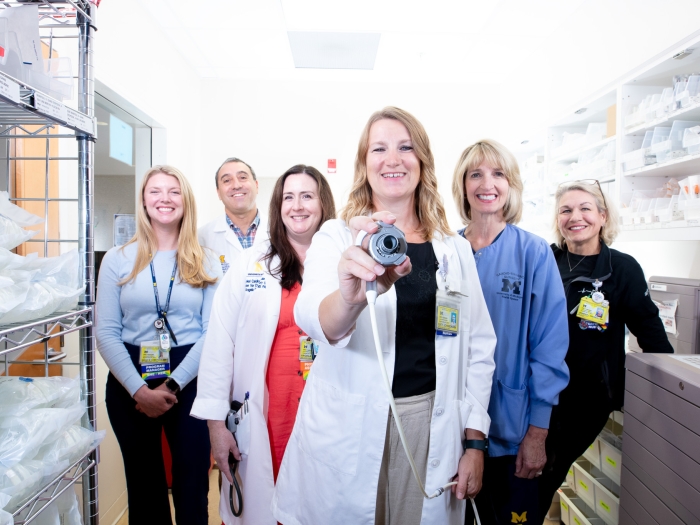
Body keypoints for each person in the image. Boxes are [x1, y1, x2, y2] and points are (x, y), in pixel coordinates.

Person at [272, 107, 497, 525]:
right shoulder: (336, 237)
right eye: (379, 148)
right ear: (364, 165)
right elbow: (320, 322)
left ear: (422, 161)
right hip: (350, 425)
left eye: (405, 147)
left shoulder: (454, 249)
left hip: (431, 423)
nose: (393, 159)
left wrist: (475, 443)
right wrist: (351, 297)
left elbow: (480, 348)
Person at [191, 164, 336, 525]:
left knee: (319, 505)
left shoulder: (341, 263)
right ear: (278, 204)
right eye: (289, 197)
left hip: (326, 413)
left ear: (323, 204)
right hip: (267, 417)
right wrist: (215, 425)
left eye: (307, 196)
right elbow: (219, 342)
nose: (297, 206)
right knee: (264, 509)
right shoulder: (252, 264)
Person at [536, 180, 673, 520]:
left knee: (542, 476)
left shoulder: (621, 269)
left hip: (585, 398)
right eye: (566, 210)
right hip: (538, 391)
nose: (575, 216)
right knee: (523, 474)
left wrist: (675, 394)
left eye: (585, 208)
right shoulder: (546, 260)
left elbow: (651, 334)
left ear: (602, 216)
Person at [451, 139, 570, 525]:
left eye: (498, 173)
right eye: (476, 174)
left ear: (511, 184)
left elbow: (549, 347)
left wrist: (537, 433)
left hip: (510, 430)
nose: (488, 183)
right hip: (451, 428)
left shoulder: (532, 252)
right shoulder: (447, 250)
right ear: (462, 185)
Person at [95, 165, 221, 525]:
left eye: (174, 191)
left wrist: (172, 384)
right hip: (128, 378)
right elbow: (106, 332)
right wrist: (139, 390)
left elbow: (212, 333)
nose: (164, 199)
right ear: (144, 202)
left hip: (191, 377)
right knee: (145, 487)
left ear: (186, 201)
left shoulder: (207, 260)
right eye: (155, 191)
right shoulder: (117, 260)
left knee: (192, 483)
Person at [199, 157, 268, 274]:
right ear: (218, 193)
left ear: (256, 185)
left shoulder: (283, 232)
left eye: (242, 177)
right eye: (227, 180)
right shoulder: (201, 239)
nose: (236, 185)